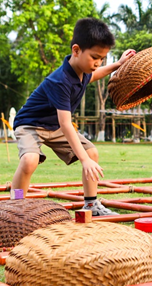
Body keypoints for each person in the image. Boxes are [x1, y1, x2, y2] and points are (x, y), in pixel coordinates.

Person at [10, 18, 135, 217]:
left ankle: (91, 205)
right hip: (30, 125)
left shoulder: (84, 71)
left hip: (54, 127)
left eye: (102, 58)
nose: (98, 63)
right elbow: (66, 124)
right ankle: (15, 205)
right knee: (30, 161)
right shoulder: (59, 81)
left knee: (92, 152)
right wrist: (83, 160)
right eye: (95, 57)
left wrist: (117, 65)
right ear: (76, 50)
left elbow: (94, 75)